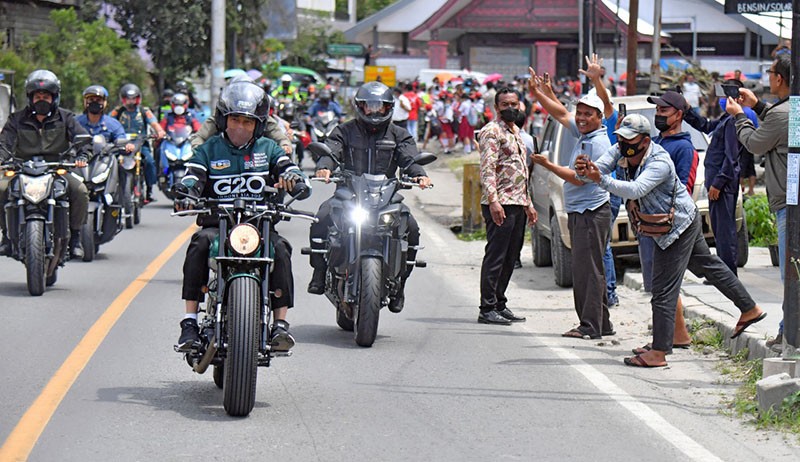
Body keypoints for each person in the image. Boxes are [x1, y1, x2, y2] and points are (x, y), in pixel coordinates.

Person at [580, 114, 766, 367]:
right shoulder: (620, 150)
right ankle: (749, 308)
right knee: (708, 266)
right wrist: (585, 169)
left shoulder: (659, 161)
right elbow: (597, 169)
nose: (624, 145)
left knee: (663, 289)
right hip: (673, 223)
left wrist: (599, 179)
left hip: (677, 227)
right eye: (621, 139)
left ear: (645, 141)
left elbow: (636, 189)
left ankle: (659, 352)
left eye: (630, 140)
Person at [174, 80, 308, 352]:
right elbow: (193, 175)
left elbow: (287, 167)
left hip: (259, 226)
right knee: (198, 244)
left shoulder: (268, 149)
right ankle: (189, 322)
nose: (240, 127)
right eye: (235, 120)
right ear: (223, 120)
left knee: (281, 249)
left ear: (258, 125)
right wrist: (186, 190)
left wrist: (294, 179)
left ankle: (280, 325)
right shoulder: (209, 149)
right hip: (218, 225)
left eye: (247, 122)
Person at [307, 81, 432, 313]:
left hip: (385, 196)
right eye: (369, 106)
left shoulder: (399, 135)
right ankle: (319, 272)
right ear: (360, 107)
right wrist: (324, 167)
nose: (374, 111)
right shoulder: (344, 131)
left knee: (411, 227)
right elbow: (331, 151)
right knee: (321, 217)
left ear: (388, 108)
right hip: (349, 193)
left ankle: (401, 284)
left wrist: (419, 175)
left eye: (379, 106)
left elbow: (409, 158)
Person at [529, 65, 614, 340]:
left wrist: (547, 164)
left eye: (589, 114)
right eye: (581, 113)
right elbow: (561, 114)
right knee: (591, 268)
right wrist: (540, 94)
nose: (582, 118)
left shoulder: (596, 144)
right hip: (583, 211)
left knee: (586, 271)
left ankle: (590, 326)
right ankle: (602, 323)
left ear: (600, 117)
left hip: (590, 212)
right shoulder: (585, 134)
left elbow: (579, 180)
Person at [726, 54, 790, 350]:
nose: (768, 77)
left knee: (791, 275)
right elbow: (780, 126)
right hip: (789, 200)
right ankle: (787, 330)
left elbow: (754, 143)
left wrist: (740, 116)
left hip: (788, 204)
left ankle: (789, 333)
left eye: (771, 72)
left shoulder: (782, 114)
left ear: (779, 78)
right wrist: (758, 106)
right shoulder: (791, 109)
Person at [0, 69, 90, 258]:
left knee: (80, 191)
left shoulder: (66, 118)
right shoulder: (16, 119)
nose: (41, 100)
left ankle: (75, 237)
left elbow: (83, 139)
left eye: (46, 96)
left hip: (57, 168)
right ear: (30, 98)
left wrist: (82, 155)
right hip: (21, 168)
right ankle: (6, 237)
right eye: (38, 96)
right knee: (1, 189)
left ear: (54, 97)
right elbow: (4, 143)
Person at [475, 87, 537, 325]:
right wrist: (494, 201)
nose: (511, 108)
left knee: (511, 257)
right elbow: (487, 169)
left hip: (517, 202)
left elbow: (521, 171)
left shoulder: (516, 131)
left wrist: (528, 203)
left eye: (514, 104)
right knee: (496, 256)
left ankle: (500, 303)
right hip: (500, 203)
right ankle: (487, 307)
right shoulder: (491, 131)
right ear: (496, 107)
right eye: (505, 105)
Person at [684, 79, 754, 275]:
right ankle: (725, 274)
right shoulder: (726, 119)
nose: (722, 99)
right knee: (720, 230)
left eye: (726, 95)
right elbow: (705, 125)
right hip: (719, 184)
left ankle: (728, 275)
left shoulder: (733, 122)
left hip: (722, 186)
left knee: (725, 232)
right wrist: (688, 110)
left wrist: (718, 183)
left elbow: (731, 158)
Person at [110, 83, 166, 203]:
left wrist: (160, 131)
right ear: (123, 99)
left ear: (138, 98)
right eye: (128, 98)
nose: (131, 101)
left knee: (150, 162)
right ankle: (110, 188)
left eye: (133, 98)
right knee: (110, 161)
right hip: (122, 143)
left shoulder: (144, 111)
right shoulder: (117, 111)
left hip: (140, 143)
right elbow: (108, 122)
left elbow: (154, 123)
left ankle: (150, 189)